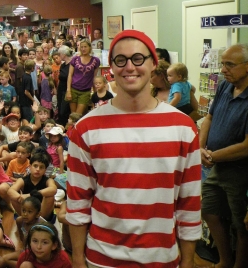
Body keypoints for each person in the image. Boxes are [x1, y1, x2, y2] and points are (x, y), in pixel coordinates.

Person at [66, 30, 201, 268]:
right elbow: (78, 202)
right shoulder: (85, 128)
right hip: (102, 260)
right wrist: (77, 259)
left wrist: (188, 261)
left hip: (163, 259)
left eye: (138, 58)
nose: (130, 67)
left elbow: (189, 203)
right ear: (112, 68)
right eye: (121, 60)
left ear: (153, 64)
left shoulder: (183, 127)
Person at [200, 43, 248, 268]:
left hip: (241, 172)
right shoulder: (224, 87)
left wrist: (213, 156)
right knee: (209, 211)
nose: (223, 70)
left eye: (230, 65)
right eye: (222, 64)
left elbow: (247, 146)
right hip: (217, 165)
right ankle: (225, 260)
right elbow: (208, 118)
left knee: (241, 225)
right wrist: (200, 148)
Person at [65, 39, 100, 115]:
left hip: (85, 91)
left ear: (90, 47)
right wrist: (68, 91)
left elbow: (94, 77)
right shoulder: (75, 59)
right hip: (73, 89)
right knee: (73, 115)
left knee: (78, 114)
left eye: (85, 47)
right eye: (82, 47)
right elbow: (70, 75)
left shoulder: (95, 60)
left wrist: (95, 94)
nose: (83, 49)